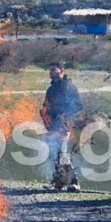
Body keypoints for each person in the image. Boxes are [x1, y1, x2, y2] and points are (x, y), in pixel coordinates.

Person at [40, 62, 82, 192]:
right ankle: (58, 183)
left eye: (54, 70)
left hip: (64, 124)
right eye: (50, 70)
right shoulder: (51, 89)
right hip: (53, 125)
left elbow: (79, 105)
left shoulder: (69, 86)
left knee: (62, 154)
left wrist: (64, 114)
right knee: (53, 154)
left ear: (62, 71)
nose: (52, 72)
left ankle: (74, 182)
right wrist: (45, 114)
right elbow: (46, 105)